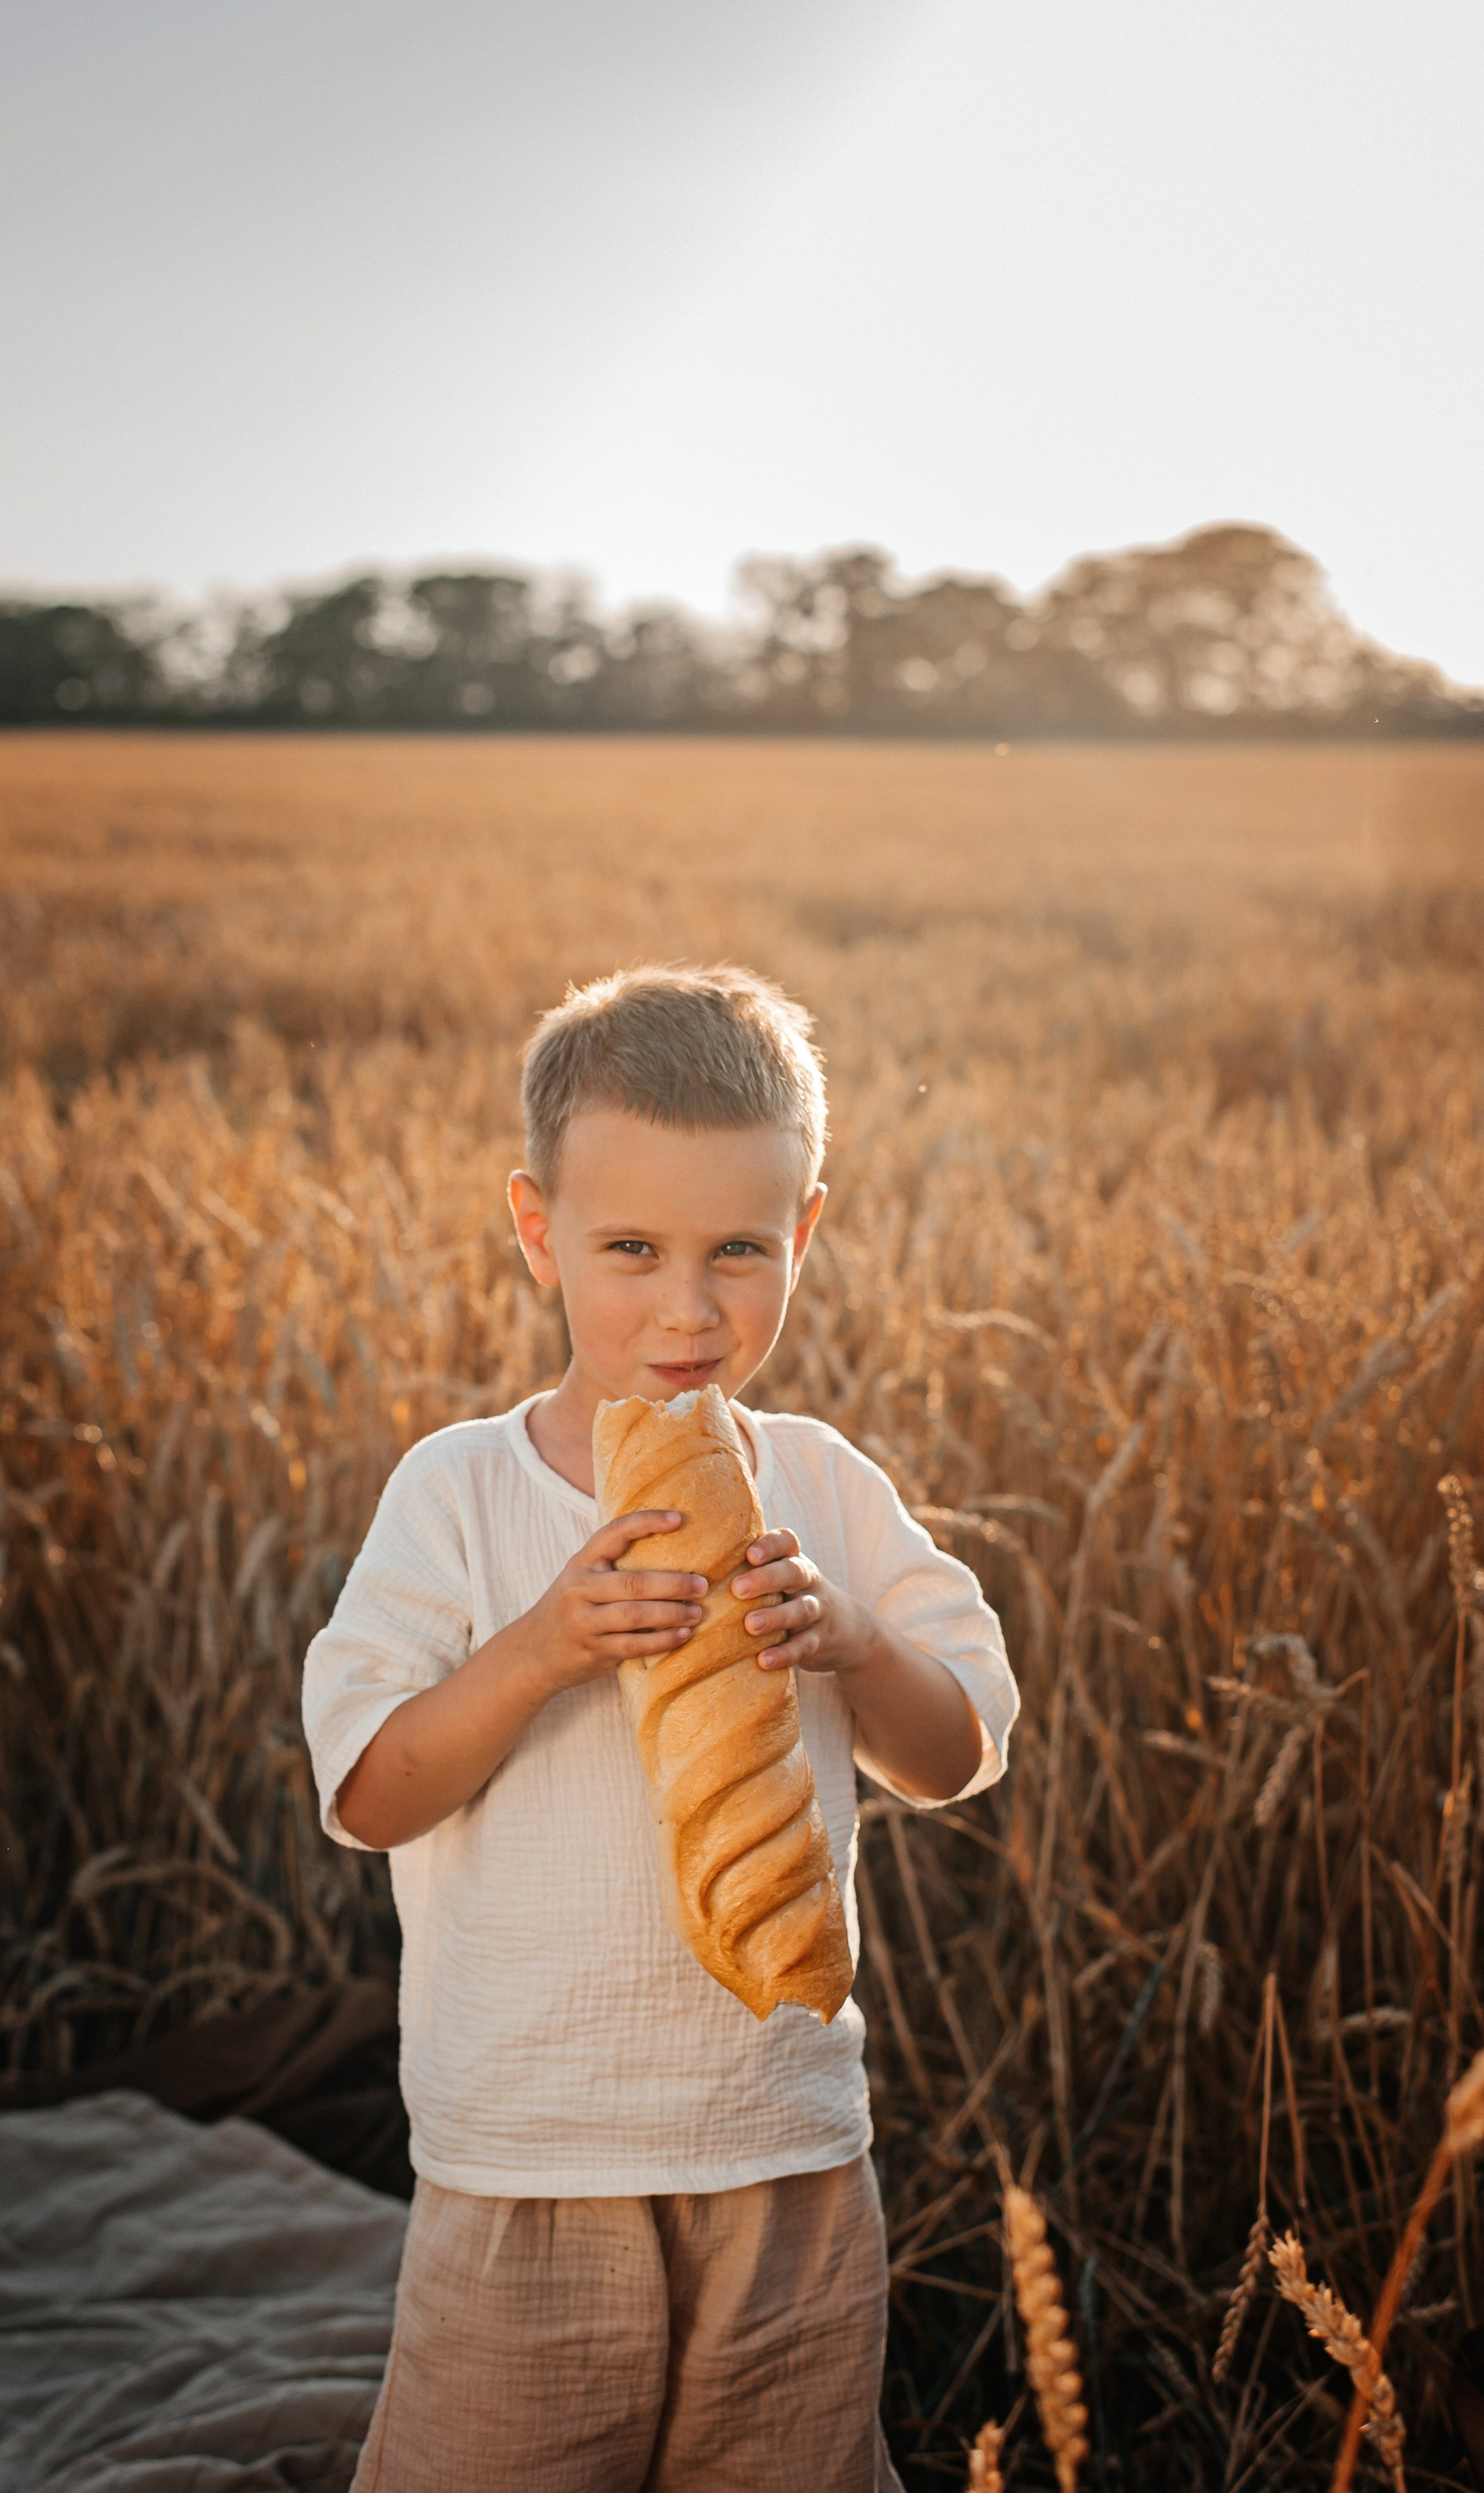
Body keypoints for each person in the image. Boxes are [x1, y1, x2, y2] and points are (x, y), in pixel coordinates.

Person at [303, 964, 1019, 2492]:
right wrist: (539, 1649)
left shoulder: (819, 1487)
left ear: (804, 1235)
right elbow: (370, 1791)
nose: (686, 1308)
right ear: (534, 1226)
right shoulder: (462, 1493)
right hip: (527, 2164)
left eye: (738, 1251)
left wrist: (857, 1639)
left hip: (785, 2149)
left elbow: (950, 1753)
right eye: (629, 1247)